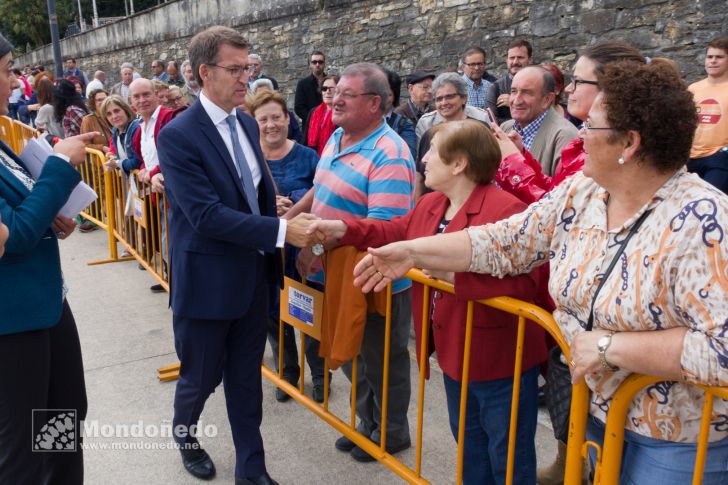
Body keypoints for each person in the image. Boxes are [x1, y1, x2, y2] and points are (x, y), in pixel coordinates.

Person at [352, 59, 728, 485]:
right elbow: (506, 241)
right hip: (598, 415)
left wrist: (610, 347)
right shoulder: (583, 192)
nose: (579, 135)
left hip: (676, 442)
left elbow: (723, 349)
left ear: (629, 143)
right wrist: (413, 251)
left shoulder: (706, 221)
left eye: (591, 127)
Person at [309, 120, 546, 484]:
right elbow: (397, 231)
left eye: (433, 151)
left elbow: (527, 286)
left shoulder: (508, 211)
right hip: (455, 353)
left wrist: (444, 273)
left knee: (509, 457)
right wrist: (344, 229)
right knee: (470, 448)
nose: (423, 159)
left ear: (459, 163)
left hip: (499, 359)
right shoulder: (434, 203)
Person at [157, 25, 318, 485]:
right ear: (204, 73)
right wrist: (284, 231)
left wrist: (279, 225)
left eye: (248, 68)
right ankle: (185, 433)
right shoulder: (179, 135)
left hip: (252, 279)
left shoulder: (246, 122)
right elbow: (206, 216)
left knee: (247, 382)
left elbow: (257, 195)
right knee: (199, 379)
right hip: (207, 286)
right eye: (235, 69)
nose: (246, 78)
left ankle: (252, 468)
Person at [296, 62, 415, 463]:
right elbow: (320, 191)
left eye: (347, 93)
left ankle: (391, 433)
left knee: (382, 360)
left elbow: (387, 229)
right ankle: (367, 423)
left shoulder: (391, 153)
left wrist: (320, 239)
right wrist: (289, 224)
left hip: (374, 278)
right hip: (339, 271)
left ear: (375, 103)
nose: (335, 98)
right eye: (334, 91)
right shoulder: (336, 137)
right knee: (355, 354)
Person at [0, 34, 97, 485]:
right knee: (22, 450)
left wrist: (49, 215)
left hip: (44, 305)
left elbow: (23, 216)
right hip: (13, 324)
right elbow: (12, 236)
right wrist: (59, 165)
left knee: (62, 416)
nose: (14, 82)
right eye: (6, 71)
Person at [249, 89, 328, 403]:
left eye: (276, 117)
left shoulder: (309, 156)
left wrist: (293, 202)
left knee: (309, 309)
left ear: (287, 119)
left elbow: (324, 194)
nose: (271, 125)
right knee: (272, 311)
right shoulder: (250, 159)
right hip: (268, 246)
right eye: (263, 119)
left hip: (303, 246)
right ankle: (287, 371)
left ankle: (320, 376)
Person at [495, 42, 646, 206]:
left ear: (610, 89)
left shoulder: (604, 145)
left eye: (577, 81)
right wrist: (522, 155)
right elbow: (557, 189)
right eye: (513, 91)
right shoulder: (584, 138)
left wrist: (514, 161)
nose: (568, 89)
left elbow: (558, 208)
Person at [415, 72, 490, 198]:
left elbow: (489, 172)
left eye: (449, 97)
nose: (444, 103)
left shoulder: (479, 130)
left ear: (464, 98)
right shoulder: (429, 135)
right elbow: (419, 177)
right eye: (439, 99)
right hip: (432, 207)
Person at [500, 66, 579, 177]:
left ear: (547, 100)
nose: (516, 101)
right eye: (513, 91)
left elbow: (562, 190)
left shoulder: (564, 136)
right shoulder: (505, 128)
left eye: (526, 93)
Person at [688, 35, 728, 194]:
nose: (713, 61)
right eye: (709, 57)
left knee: (709, 205)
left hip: (719, 160)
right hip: (689, 158)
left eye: (719, 57)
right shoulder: (693, 89)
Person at [485, 39, 533, 124]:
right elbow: (491, 121)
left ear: (530, 60)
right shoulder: (496, 87)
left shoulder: (538, 85)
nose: (515, 62)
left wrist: (513, 103)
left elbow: (543, 114)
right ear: (506, 60)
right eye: (512, 58)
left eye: (520, 57)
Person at [101, 95, 142, 175]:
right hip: (132, 181)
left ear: (125, 110)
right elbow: (123, 157)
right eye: (109, 114)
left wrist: (117, 163)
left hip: (146, 183)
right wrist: (113, 158)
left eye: (117, 111)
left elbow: (138, 161)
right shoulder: (115, 131)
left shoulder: (136, 128)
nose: (114, 116)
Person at [383, 68, 417, 157]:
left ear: (395, 96)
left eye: (387, 94)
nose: (381, 99)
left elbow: (409, 156)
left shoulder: (403, 125)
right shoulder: (362, 121)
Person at [305, 75, 338, 155]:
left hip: (333, 156)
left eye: (331, 88)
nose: (327, 91)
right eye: (324, 89)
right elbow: (305, 138)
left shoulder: (342, 113)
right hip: (312, 157)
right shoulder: (313, 112)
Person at [294, 50, 326, 131]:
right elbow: (299, 107)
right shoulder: (303, 84)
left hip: (329, 125)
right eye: (314, 62)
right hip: (310, 128)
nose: (317, 64)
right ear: (310, 65)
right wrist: (314, 119)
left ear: (324, 64)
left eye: (320, 62)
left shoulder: (331, 82)